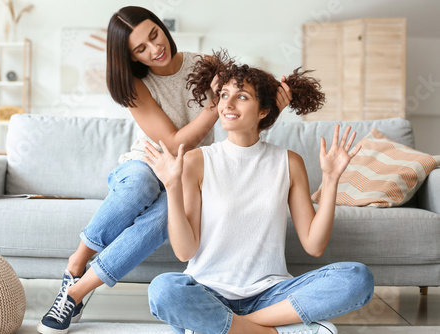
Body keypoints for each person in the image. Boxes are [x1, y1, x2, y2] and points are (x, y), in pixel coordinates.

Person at [37, 6, 292, 334]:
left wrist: (277, 104)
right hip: (145, 164)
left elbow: (245, 111)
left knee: (163, 220)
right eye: (140, 49)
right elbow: (171, 144)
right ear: (131, 57)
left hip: (188, 174)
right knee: (141, 184)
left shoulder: (205, 66)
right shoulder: (135, 85)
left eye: (154, 35)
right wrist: (215, 105)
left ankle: (75, 292)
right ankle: (75, 263)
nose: (155, 49)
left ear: (162, 27)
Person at [144, 53, 374, 334]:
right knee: (164, 290)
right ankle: (273, 330)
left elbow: (314, 245)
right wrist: (171, 186)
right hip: (208, 292)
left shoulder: (289, 162)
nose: (227, 103)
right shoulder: (197, 161)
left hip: (270, 296)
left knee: (357, 278)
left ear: (263, 111)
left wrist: (331, 179)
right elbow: (185, 251)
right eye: (223, 94)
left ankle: (229, 328)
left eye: (241, 96)